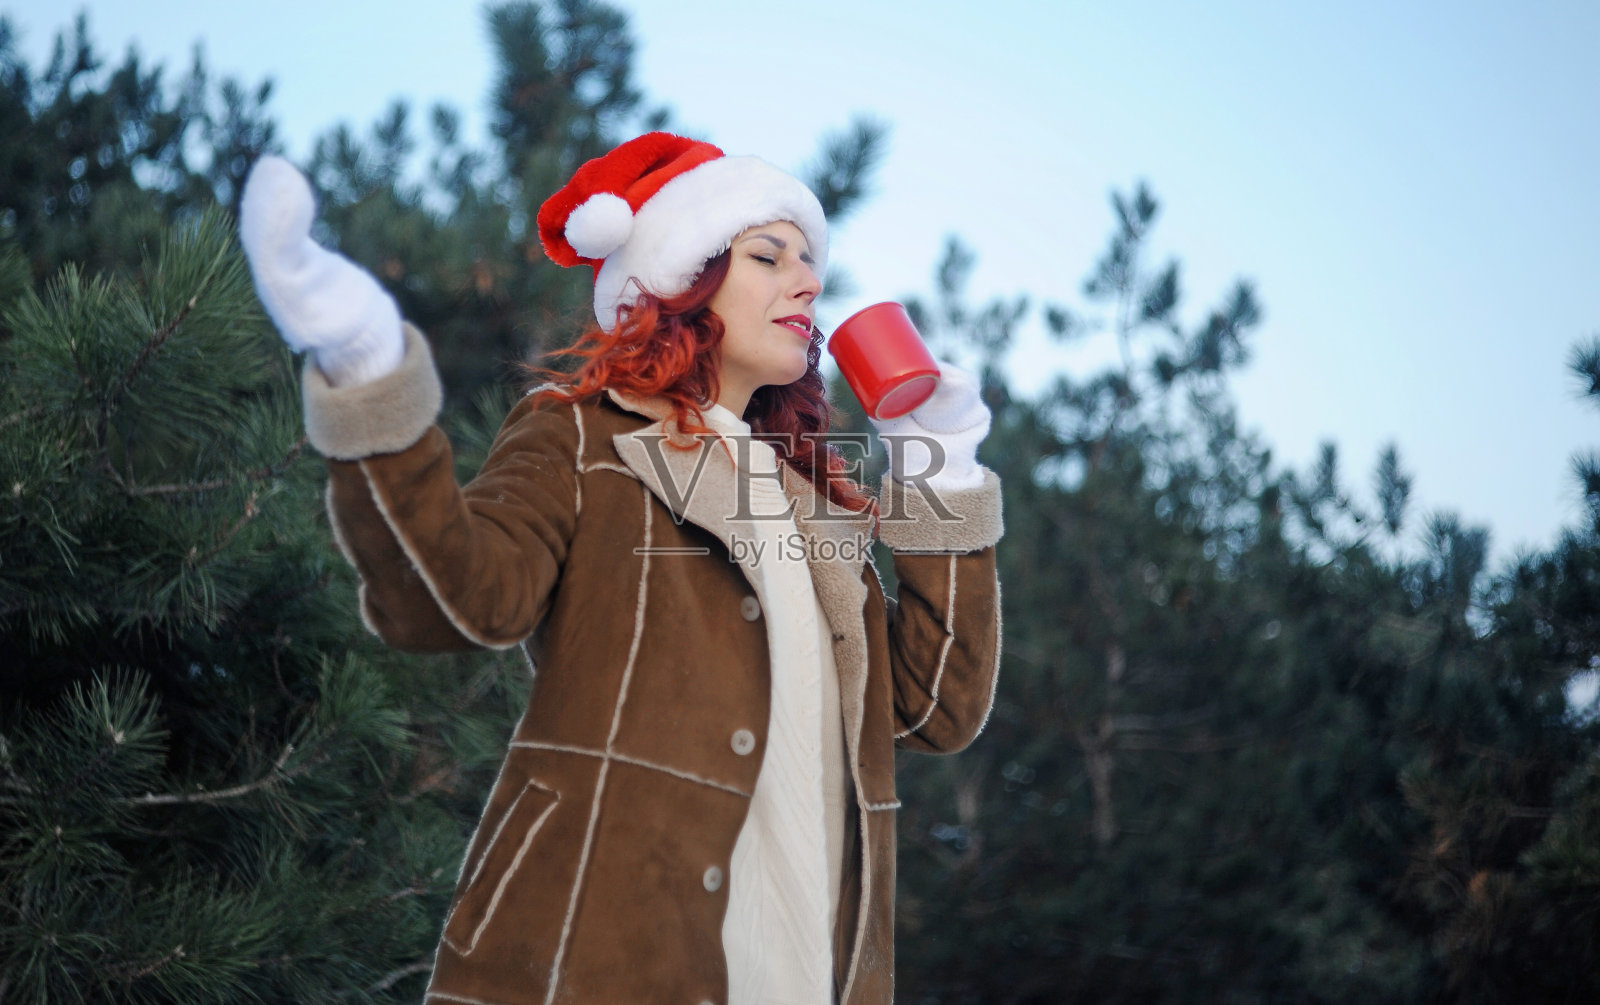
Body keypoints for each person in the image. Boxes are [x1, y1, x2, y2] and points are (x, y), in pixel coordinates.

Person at [239, 132, 1002, 1005]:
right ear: (681, 280)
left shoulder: (813, 507)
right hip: (595, 965)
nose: (809, 281)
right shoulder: (583, 435)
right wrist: (369, 373)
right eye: (769, 254)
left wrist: (939, 463)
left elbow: (937, 705)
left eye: (811, 261)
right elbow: (452, 600)